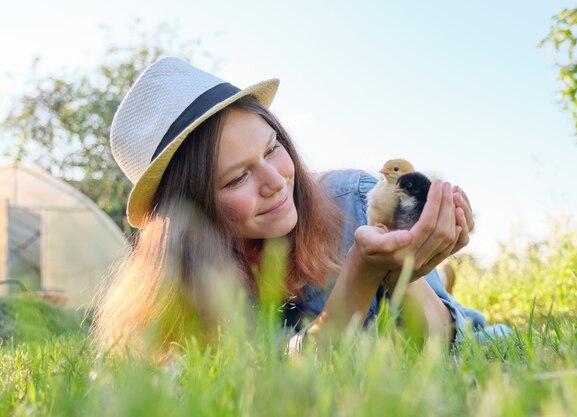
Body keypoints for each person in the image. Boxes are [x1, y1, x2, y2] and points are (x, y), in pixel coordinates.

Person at [93, 57, 509, 357]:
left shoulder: (356, 202)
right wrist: (362, 274)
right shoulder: (194, 291)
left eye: (273, 149)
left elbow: (440, 344)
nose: (276, 183)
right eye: (237, 178)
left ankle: (442, 279)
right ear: (191, 211)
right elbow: (290, 377)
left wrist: (403, 272)